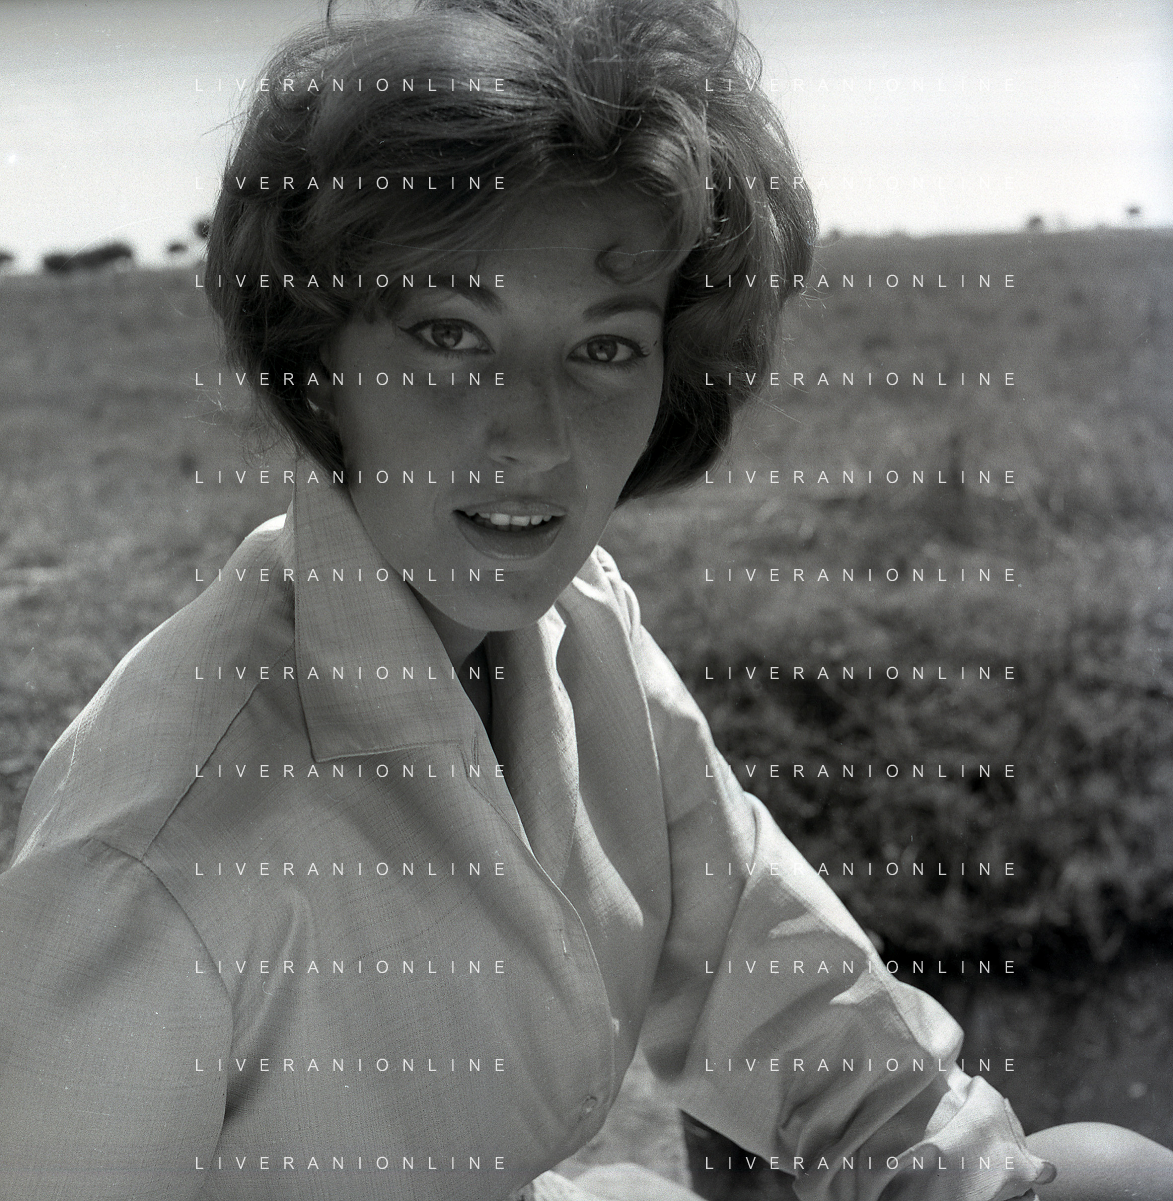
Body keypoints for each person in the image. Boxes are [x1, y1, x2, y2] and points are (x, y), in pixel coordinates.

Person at [1, 1, 1170, 1198]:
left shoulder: (580, 629)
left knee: (1108, 1178)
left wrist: (956, 1175)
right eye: (451, 333)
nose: (537, 438)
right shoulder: (149, 860)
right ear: (319, 363)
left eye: (605, 348)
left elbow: (779, 983)